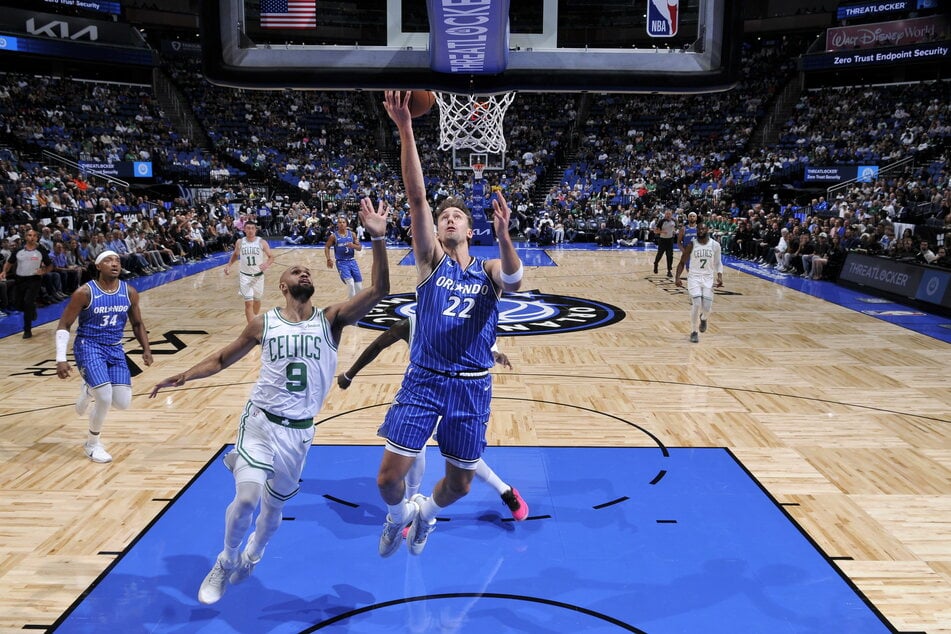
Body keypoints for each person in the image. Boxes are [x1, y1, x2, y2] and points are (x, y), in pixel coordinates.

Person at [149, 198, 389, 605]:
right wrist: (186, 374)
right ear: (282, 284)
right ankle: (225, 561)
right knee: (246, 499)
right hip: (260, 421)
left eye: (308, 270)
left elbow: (382, 290)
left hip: (298, 434)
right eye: (298, 270)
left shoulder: (331, 319)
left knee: (272, 514)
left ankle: (253, 554)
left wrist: (379, 239)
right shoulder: (264, 323)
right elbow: (223, 358)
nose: (305, 272)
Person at [375, 90, 524, 558]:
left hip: (472, 387)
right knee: (387, 480)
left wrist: (505, 237)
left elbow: (516, 281)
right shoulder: (430, 263)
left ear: (470, 230)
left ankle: (426, 516)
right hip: (424, 380)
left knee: (459, 483)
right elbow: (416, 197)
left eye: (456, 215)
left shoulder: (489, 270)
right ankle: (400, 516)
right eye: (443, 217)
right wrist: (404, 127)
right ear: (437, 231)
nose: (448, 219)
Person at [337, 316, 528, 521]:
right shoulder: (411, 323)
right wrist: (350, 373)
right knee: (414, 448)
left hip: (460, 395)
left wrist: (496, 354)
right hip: (424, 391)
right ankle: (411, 507)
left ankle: (505, 490)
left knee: (461, 457)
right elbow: (377, 345)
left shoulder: (468, 317)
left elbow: (487, 344)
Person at [54, 250, 154, 462]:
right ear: (98, 266)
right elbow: (64, 324)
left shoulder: (129, 291)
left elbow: (137, 324)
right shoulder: (84, 292)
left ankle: (88, 388)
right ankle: (92, 444)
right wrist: (60, 358)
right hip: (88, 345)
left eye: (117, 260)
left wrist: (146, 348)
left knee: (122, 403)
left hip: (115, 348)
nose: (114, 263)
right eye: (108, 260)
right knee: (105, 397)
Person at [674, 220, 723, 343]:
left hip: (708, 278)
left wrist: (720, 276)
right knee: (696, 304)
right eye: (699, 229)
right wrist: (677, 277)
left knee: (707, 307)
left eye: (703, 229)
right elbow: (682, 262)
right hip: (694, 277)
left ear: (708, 230)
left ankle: (704, 318)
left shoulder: (715, 245)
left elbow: (718, 263)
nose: (700, 231)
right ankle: (694, 331)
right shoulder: (692, 244)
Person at [0, 228, 52, 338]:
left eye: (34, 235)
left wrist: (43, 271)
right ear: (25, 237)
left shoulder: (41, 250)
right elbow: (9, 263)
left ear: (37, 238)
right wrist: (4, 271)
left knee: (28, 302)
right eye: (29, 235)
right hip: (20, 280)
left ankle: (27, 330)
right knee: (17, 304)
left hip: (34, 280)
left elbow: (50, 265)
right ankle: (32, 309)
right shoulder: (18, 250)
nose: (31, 237)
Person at [224, 220, 275, 323]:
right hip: (245, 277)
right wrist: (229, 265)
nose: (250, 230)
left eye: (252, 228)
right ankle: (251, 327)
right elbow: (235, 254)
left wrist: (267, 264)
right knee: (248, 303)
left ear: (255, 230)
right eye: (248, 228)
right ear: (244, 229)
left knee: (257, 300)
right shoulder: (240, 242)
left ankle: (255, 317)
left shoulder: (261, 242)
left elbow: (271, 257)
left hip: (258, 277)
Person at [324, 215, 365, 298]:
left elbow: (359, 248)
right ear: (337, 225)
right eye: (340, 222)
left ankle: (361, 304)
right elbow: (327, 247)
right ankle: (352, 306)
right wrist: (328, 259)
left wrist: (353, 246)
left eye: (343, 222)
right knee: (350, 284)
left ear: (347, 224)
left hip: (352, 261)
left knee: (359, 287)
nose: (342, 224)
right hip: (341, 262)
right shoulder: (333, 236)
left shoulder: (352, 234)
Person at [652, 208, 676, 277]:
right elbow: (655, 231)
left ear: (671, 215)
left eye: (669, 214)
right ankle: (656, 264)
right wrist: (662, 232)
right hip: (662, 240)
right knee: (660, 254)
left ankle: (669, 271)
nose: (668, 215)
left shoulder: (673, 221)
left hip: (670, 240)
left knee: (670, 256)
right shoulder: (661, 221)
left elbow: (673, 228)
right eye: (667, 214)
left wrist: (673, 232)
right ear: (665, 215)